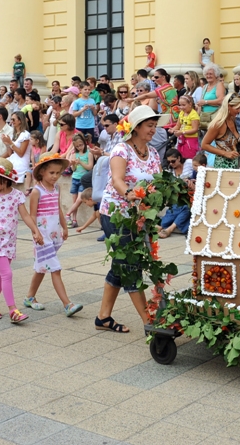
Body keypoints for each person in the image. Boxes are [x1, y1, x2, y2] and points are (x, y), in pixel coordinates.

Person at [96, 105, 161, 332]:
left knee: (120, 265)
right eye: (149, 126)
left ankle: (103, 317)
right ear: (136, 127)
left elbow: (157, 183)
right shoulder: (121, 150)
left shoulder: (152, 153)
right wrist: (129, 194)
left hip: (138, 217)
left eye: (154, 126)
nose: (153, 130)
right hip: (116, 214)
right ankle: (149, 323)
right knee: (130, 266)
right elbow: (117, 179)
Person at [23, 153, 82, 316]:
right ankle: (67, 304)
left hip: (53, 234)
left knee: (42, 268)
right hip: (42, 237)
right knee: (55, 268)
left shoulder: (57, 188)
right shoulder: (36, 191)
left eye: (58, 173)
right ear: (41, 172)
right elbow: (32, 215)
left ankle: (29, 297)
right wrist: (35, 233)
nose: (55, 176)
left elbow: (58, 210)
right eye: (52, 173)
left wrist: (65, 227)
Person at [0, 159, 34, 323]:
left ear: (5, 179)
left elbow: (25, 216)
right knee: (7, 274)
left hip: (9, 241)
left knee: (0, 275)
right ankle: (13, 310)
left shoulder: (17, 195)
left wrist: (35, 231)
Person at [202, 93, 240, 169]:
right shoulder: (218, 124)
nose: (239, 111)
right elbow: (204, 145)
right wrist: (225, 153)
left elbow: (236, 139)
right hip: (222, 165)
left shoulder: (232, 119)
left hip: (235, 162)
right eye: (237, 108)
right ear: (229, 107)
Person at [197, 64, 226, 131]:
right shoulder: (205, 86)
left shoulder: (219, 85)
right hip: (205, 118)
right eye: (207, 74)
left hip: (215, 117)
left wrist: (206, 102)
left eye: (210, 74)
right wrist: (197, 117)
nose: (208, 76)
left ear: (216, 75)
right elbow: (201, 103)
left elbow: (221, 100)